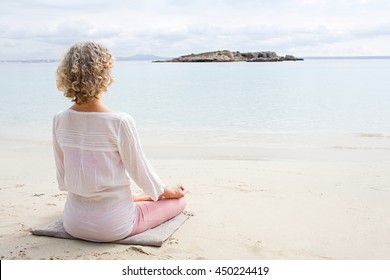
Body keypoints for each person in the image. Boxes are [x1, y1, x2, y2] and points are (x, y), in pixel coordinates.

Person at [53, 41, 188, 242]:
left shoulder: (59, 119)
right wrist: (169, 192)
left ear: (67, 75)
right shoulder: (120, 121)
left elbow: (63, 177)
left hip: (73, 222)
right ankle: (141, 199)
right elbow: (140, 171)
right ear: (104, 74)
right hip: (113, 226)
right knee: (180, 202)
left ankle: (137, 198)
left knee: (135, 194)